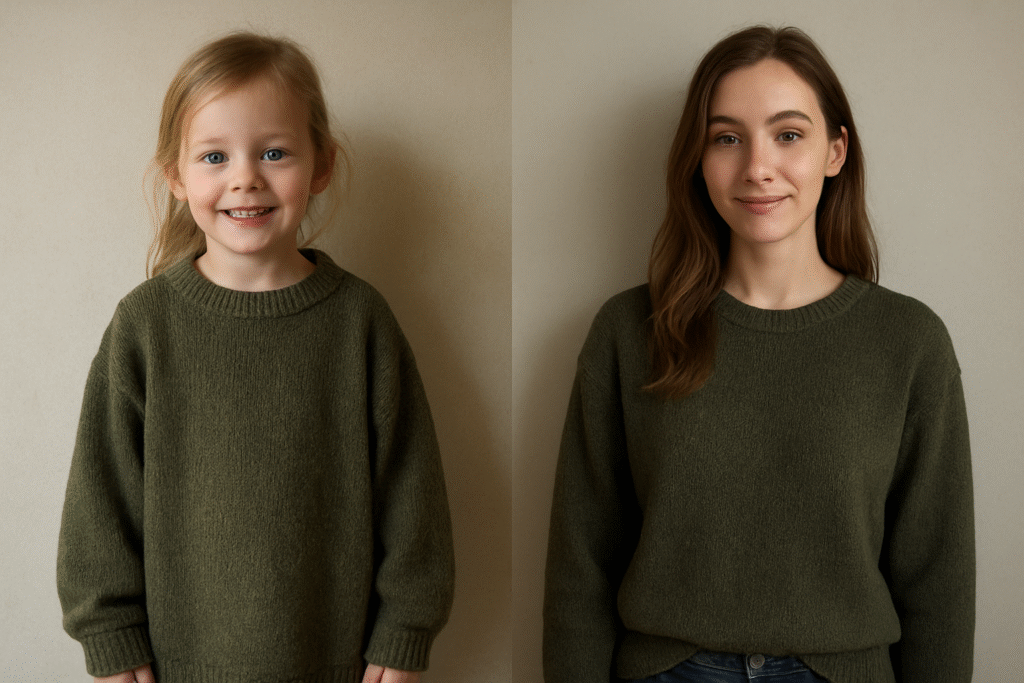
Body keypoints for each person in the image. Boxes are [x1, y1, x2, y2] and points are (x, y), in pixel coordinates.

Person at [543, 25, 974, 683]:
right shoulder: (630, 331)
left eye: (788, 134)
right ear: (698, 158)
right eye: (727, 138)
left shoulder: (910, 342)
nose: (757, 167)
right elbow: (582, 558)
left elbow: (937, 577)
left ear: (835, 151)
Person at [57, 32, 454, 683]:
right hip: (176, 666)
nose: (245, 176)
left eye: (274, 151)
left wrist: (406, 628)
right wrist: (108, 632)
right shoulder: (144, 325)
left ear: (321, 165)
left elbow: (414, 496)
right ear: (176, 177)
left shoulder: (360, 322)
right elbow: (99, 500)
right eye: (214, 155)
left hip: (338, 664)